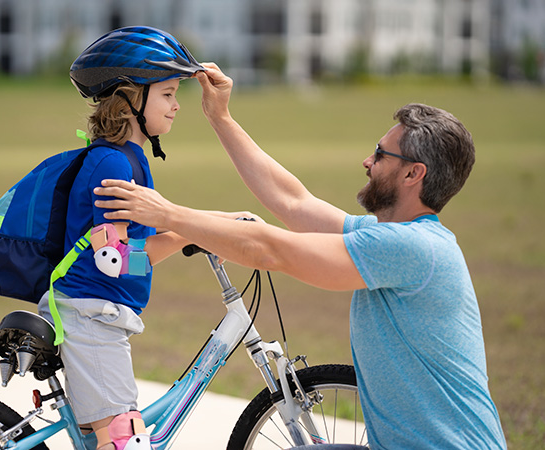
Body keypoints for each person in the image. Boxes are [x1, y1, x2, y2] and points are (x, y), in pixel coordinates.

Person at [95, 64, 508, 449]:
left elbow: (269, 249)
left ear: (413, 173)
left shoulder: (410, 248)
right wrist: (220, 117)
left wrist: (168, 214)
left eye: (381, 155)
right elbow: (292, 202)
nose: (367, 161)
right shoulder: (389, 235)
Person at [37, 27, 203, 450]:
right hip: (89, 317)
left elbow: (165, 223)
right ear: (130, 99)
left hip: (95, 314)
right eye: (167, 93)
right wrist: (193, 234)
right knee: (124, 441)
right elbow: (116, 259)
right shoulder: (114, 164)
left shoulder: (124, 157)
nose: (177, 104)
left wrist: (221, 225)